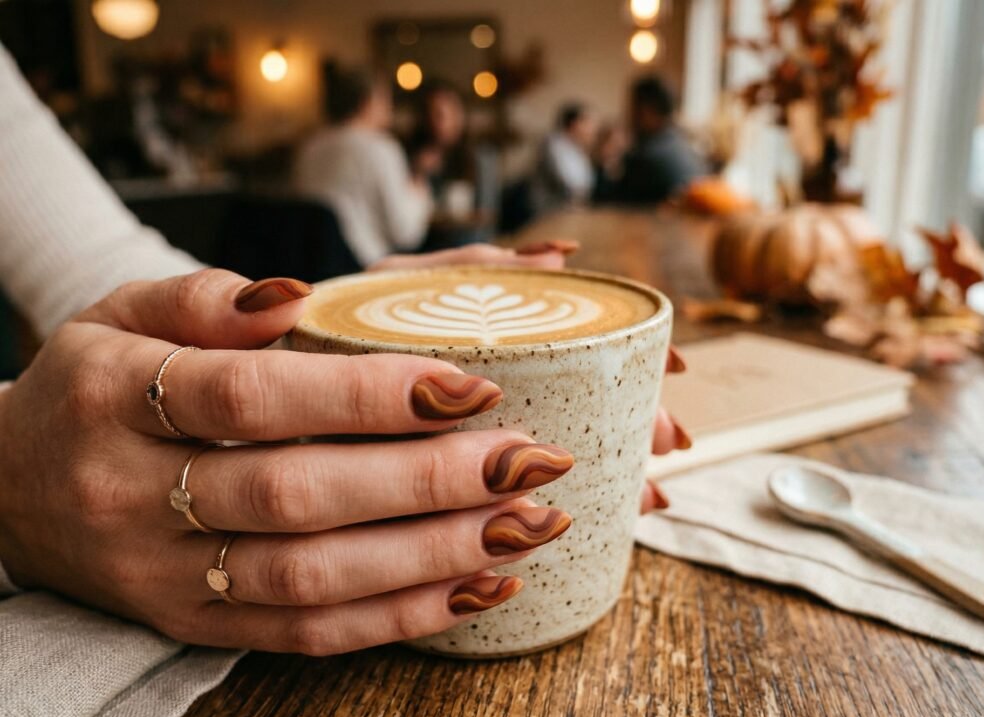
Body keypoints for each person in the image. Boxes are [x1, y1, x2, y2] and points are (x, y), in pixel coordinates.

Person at [0, 41, 685, 657]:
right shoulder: (385, 151)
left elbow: (89, 259)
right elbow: (411, 219)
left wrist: (292, 326)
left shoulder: (311, 145)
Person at [293, 62, 432, 267]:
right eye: (386, 99)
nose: (390, 107)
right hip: (364, 268)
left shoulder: (309, 146)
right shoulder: (381, 148)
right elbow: (406, 234)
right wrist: (420, 189)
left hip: (308, 268)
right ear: (368, 101)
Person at [405, 80, 501, 248]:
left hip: (469, 244)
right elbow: (409, 221)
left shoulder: (481, 158)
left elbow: (488, 218)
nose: (439, 123)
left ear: (461, 116)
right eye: (434, 114)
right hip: (427, 245)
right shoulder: (416, 157)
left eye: (446, 115)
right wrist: (419, 173)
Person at [597, 76, 706, 205]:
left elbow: (607, 205)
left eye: (632, 108)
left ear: (647, 110)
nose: (628, 116)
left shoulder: (646, 155)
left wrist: (603, 162)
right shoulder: (684, 146)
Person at [530, 102, 598, 214]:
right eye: (588, 122)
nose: (592, 128)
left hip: (569, 211)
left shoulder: (577, 148)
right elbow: (569, 185)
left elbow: (587, 185)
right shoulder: (554, 144)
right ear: (575, 124)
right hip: (548, 214)